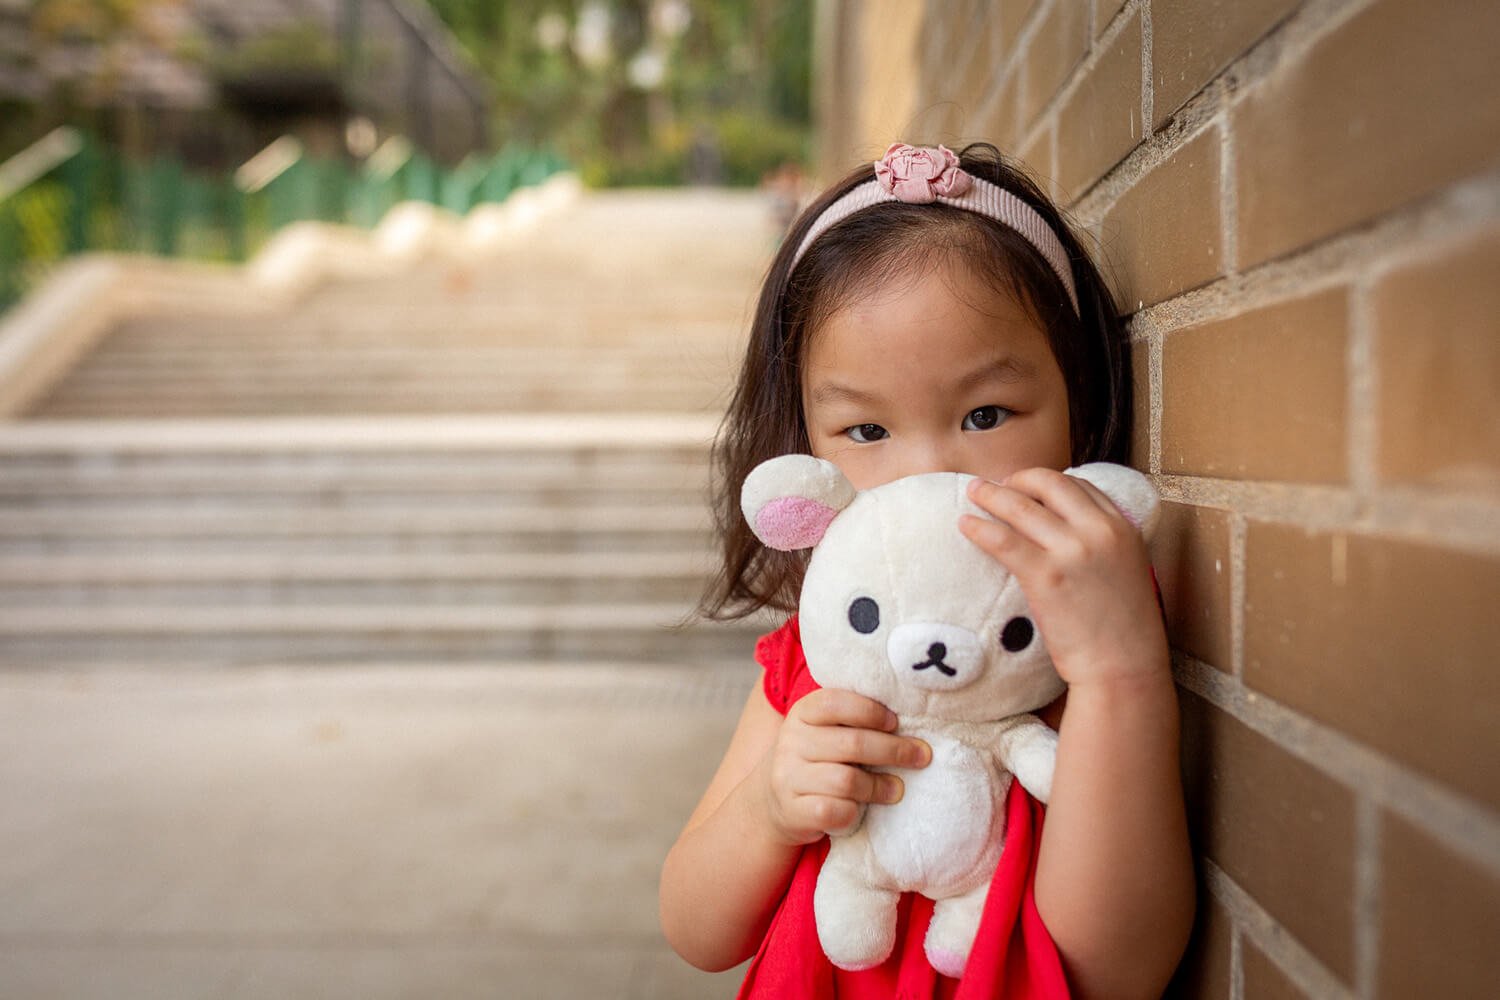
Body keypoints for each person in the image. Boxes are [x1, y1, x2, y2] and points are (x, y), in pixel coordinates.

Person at [659, 142, 1194, 999]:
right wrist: (768, 808)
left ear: (1078, 412)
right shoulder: (812, 666)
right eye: (865, 432)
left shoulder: (1084, 636)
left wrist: (1117, 677)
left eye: (985, 414)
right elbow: (696, 929)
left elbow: (1116, 968)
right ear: (806, 451)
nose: (925, 477)